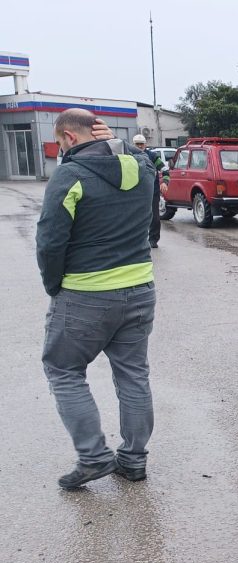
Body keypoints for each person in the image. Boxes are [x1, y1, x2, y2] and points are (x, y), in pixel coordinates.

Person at [36, 108, 158, 489]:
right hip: (140, 290)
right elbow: (145, 159)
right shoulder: (142, 169)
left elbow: (50, 242)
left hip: (85, 294)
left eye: (59, 143)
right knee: (133, 374)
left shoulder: (69, 175)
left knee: (64, 370)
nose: (59, 152)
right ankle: (134, 460)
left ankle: (93, 457)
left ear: (69, 138)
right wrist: (122, 146)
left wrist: (55, 286)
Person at [131, 133, 170, 248]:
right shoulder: (128, 156)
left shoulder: (152, 156)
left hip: (152, 191)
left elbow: (165, 170)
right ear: (133, 145)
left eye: (141, 144)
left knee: (154, 217)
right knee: (135, 217)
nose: (139, 146)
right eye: (137, 144)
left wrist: (165, 182)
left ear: (145, 144)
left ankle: (153, 239)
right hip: (135, 192)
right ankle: (137, 240)